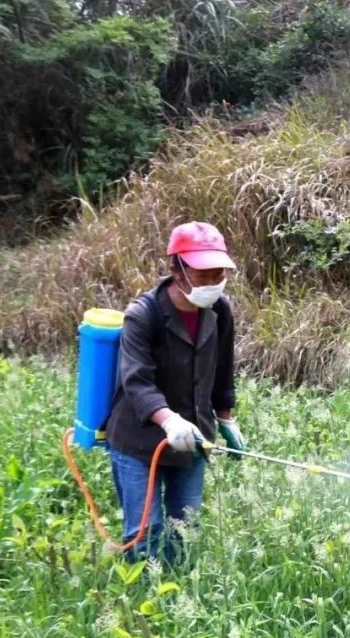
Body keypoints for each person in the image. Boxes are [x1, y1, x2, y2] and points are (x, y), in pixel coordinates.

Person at [105, 221, 245, 562]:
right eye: (202, 274)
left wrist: (226, 420)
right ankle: (143, 607)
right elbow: (136, 382)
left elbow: (222, 369)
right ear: (176, 269)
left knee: (185, 527)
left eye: (218, 273)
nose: (212, 282)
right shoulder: (143, 315)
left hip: (193, 436)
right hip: (139, 440)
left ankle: (178, 595)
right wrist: (169, 421)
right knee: (145, 532)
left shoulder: (219, 310)